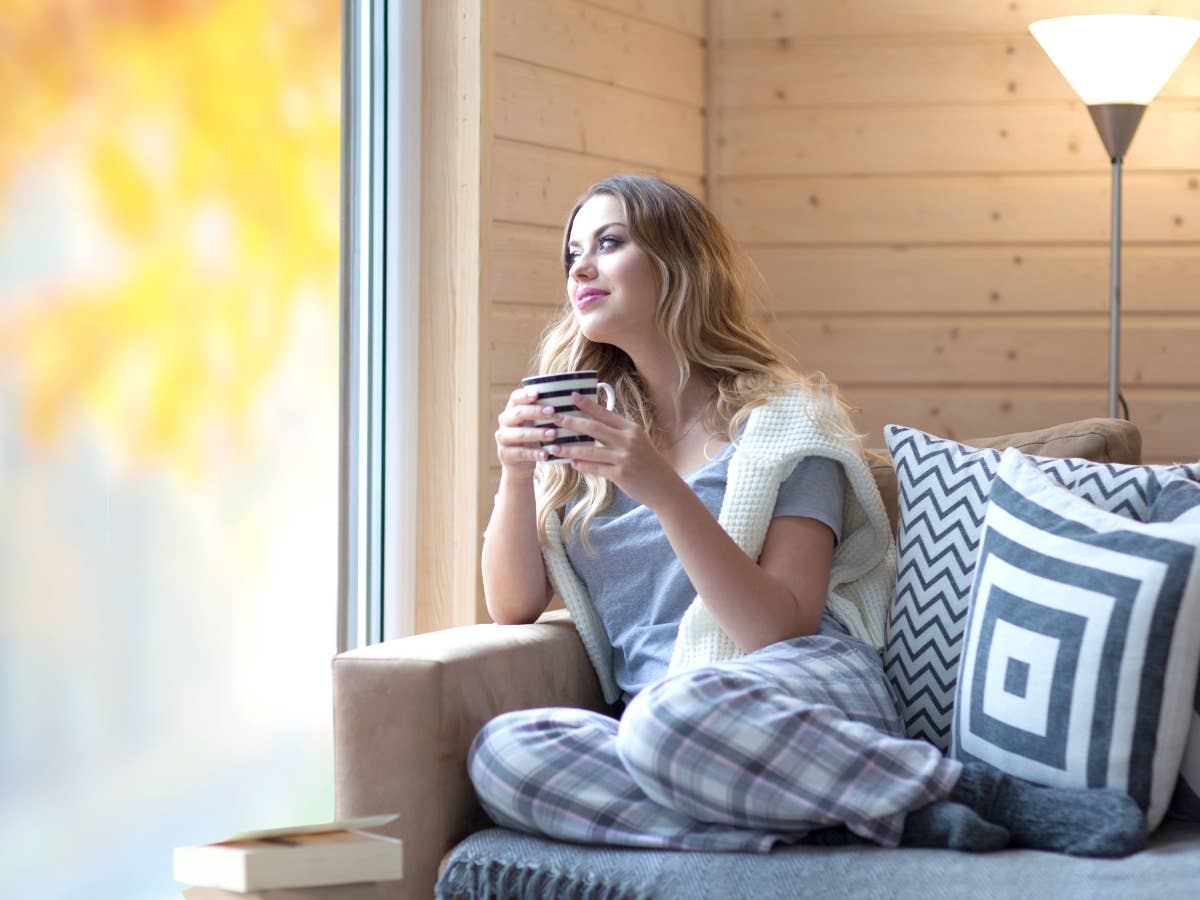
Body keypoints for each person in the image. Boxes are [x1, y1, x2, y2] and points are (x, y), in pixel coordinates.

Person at [468, 174, 1146, 857]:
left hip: (801, 689)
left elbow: (777, 627)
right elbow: (513, 605)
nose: (579, 267)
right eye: (571, 254)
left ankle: (970, 789)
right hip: (677, 728)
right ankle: (871, 814)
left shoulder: (786, 422)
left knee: (666, 720)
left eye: (609, 243)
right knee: (504, 753)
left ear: (680, 266)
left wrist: (662, 489)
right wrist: (517, 473)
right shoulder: (588, 436)